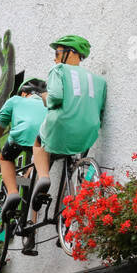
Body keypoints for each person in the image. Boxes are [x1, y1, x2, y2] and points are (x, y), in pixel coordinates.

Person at [27, 34, 107, 253]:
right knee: (71, 168)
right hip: (87, 133)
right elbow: (100, 111)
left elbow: (54, 99)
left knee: (38, 144)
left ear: (70, 53)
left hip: (59, 129)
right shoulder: (99, 82)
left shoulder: (58, 71)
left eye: (57, 53)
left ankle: (42, 181)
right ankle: (65, 219)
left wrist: (43, 95)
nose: (55, 59)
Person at [0, 78, 47, 219]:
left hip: (24, 135)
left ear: (24, 93)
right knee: (39, 166)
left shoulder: (15, 101)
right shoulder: (48, 103)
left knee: (5, 158)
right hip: (47, 137)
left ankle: (12, 193)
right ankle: (32, 226)